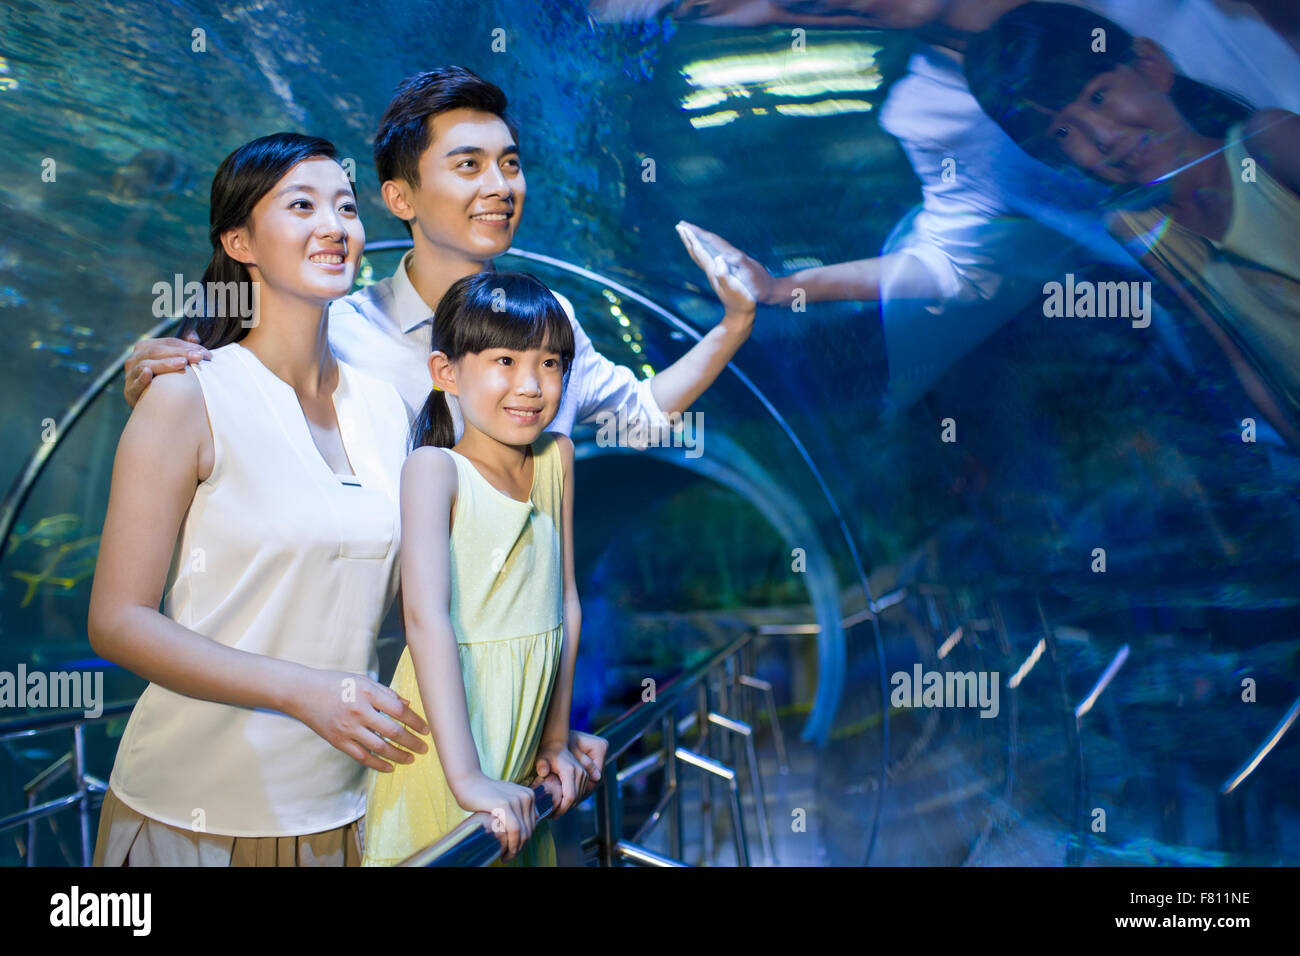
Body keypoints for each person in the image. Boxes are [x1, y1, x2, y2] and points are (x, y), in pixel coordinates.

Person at [87, 132, 431, 866]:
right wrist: (304, 691)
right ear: (239, 240)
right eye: (301, 205)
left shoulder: (386, 408)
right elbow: (116, 621)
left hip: (342, 804)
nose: (334, 226)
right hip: (189, 813)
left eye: (345, 206)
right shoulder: (185, 394)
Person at [963, 2, 1300, 447]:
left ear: (1151, 65)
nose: (1102, 138)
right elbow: (1241, 356)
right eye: (1063, 133)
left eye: (1098, 96)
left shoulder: (1270, 141)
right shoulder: (1135, 226)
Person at [362, 272, 584, 866]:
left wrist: (556, 740)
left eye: (551, 363)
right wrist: (466, 778)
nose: (531, 385)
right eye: (505, 360)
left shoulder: (556, 459)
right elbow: (424, 617)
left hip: (521, 742)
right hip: (445, 747)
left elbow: (566, 603)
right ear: (447, 373)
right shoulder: (435, 469)